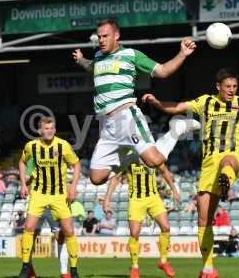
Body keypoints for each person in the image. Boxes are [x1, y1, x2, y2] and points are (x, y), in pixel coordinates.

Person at [143, 67, 239, 278]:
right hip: (209, 164)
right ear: (218, 86)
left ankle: (226, 181)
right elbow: (178, 107)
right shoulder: (205, 102)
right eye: (228, 86)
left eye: (235, 86)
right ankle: (208, 268)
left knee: (228, 161)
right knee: (203, 219)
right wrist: (156, 102)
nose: (232, 90)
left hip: (232, 157)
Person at [72, 18, 196, 187]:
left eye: (105, 36)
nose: (101, 40)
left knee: (154, 161)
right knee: (96, 178)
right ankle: (130, 156)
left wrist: (182, 54)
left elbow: (162, 71)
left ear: (117, 35)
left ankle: (177, 130)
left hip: (127, 118)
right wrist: (80, 60)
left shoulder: (131, 55)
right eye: (99, 37)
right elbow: (92, 67)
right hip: (107, 125)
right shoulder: (99, 56)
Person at [17, 116, 81, 278]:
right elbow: (22, 162)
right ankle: (26, 267)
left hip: (59, 195)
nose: (50, 131)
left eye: (52, 128)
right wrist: (24, 184)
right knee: (29, 227)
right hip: (39, 193)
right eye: (46, 128)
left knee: (68, 231)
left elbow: (76, 163)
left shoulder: (63, 145)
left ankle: (73, 270)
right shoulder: (31, 146)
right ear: (39, 131)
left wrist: (73, 187)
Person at [104, 159, 180, 278]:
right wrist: (107, 199)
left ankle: (163, 261)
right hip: (136, 200)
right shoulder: (128, 158)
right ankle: (135, 267)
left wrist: (174, 190)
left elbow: (165, 171)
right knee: (134, 233)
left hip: (153, 198)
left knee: (166, 227)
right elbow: (116, 178)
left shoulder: (151, 154)